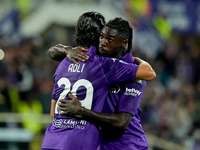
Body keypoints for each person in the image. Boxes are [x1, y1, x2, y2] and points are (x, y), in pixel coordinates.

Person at [42, 12, 155, 150]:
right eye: (101, 37)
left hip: (128, 145)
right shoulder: (96, 64)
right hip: (97, 144)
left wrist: (81, 111)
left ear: (123, 43)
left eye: (109, 39)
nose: (103, 42)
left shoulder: (132, 74)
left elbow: (122, 122)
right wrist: (67, 49)